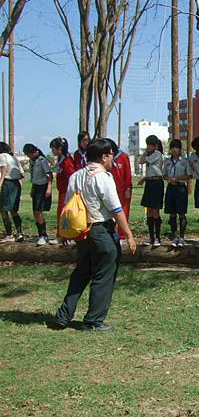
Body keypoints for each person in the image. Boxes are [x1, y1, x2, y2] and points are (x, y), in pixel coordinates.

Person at [52, 138, 137, 332]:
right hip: (101, 231)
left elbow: (68, 207)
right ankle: (93, 320)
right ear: (103, 156)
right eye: (110, 155)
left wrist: (64, 231)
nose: (112, 159)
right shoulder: (103, 178)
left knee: (81, 273)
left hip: (82, 232)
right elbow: (116, 209)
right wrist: (129, 235)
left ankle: (63, 315)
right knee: (103, 275)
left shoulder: (76, 176)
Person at [23, 143, 54, 246]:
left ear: (32, 152)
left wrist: (49, 188)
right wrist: (32, 189)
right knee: (35, 212)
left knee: (38, 211)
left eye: (28, 154)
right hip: (36, 187)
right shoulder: (33, 161)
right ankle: (40, 233)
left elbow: (49, 175)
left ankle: (43, 235)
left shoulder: (42, 161)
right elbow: (33, 177)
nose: (28, 156)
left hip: (42, 187)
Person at [163, 139, 192, 248]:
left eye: (177, 147)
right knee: (172, 213)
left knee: (181, 213)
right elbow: (164, 175)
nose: (175, 150)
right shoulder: (167, 161)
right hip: (171, 188)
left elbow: (189, 175)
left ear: (180, 149)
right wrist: (168, 178)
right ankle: (174, 236)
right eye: (173, 147)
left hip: (181, 188)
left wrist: (178, 178)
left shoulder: (185, 161)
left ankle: (182, 237)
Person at [138, 135, 164, 247]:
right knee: (149, 209)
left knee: (155, 210)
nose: (148, 147)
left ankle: (158, 237)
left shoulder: (158, 154)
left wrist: (145, 154)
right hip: (149, 182)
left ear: (155, 145)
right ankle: (151, 237)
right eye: (147, 144)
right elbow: (140, 161)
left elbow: (143, 161)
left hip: (157, 183)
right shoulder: (149, 153)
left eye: (150, 145)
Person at [50, 137, 76, 243]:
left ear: (59, 148)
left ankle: (63, 236)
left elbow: (71, 176)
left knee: (63, 214)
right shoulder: (61, 159)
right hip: (62, 191)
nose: (52, 151)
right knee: (61, 214)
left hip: (67, 192)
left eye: (53, 149)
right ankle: (63, 236)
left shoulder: (67, 160)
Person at [107, 139, 132, 243]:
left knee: (123, 212)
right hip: (112, 190)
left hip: (123, 190)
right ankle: (111, 233)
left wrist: (128, 188)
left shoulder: (123, 156)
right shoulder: (107, 159)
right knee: (111, 213)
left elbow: (128, 174)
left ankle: (122, 235)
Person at [0, 141, 25, 243]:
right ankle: (19, 233)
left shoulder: (2, 156)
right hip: (15, 184)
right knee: (14, 210)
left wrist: (1, 184)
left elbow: (4, 170)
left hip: (6, 183)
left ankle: (9, 234)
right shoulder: (14, 158)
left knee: (3, 210)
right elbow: (22, 174)